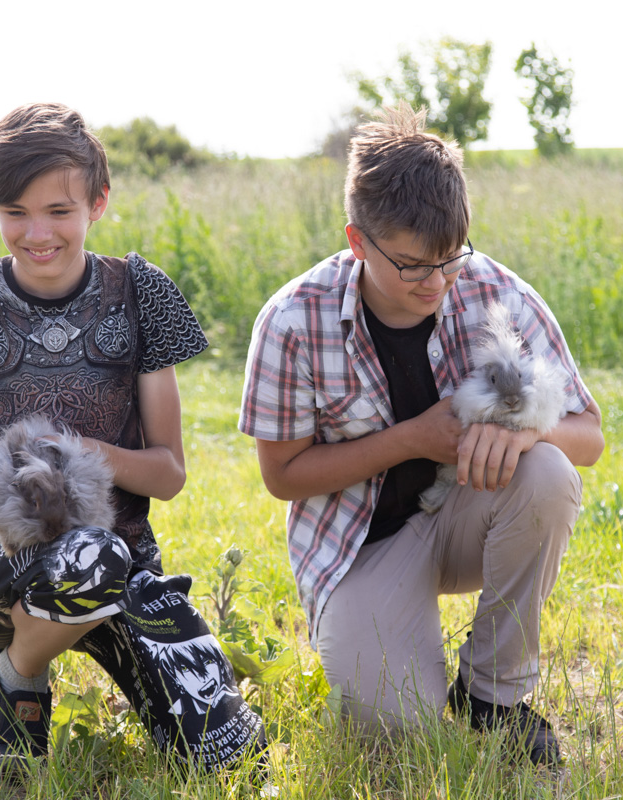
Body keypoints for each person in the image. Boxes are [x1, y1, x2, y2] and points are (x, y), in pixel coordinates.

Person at [0, 102, 263, 777]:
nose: (37, 233)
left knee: (221, 754)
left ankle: (120, 654)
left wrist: (81, 454)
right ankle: (20, 669)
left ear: (99, 202)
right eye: (15, 211)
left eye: (60, 211)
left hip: (118, 564)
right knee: (87, 555)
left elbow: (169, 474)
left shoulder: (141, 293)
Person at [238, 105, 603, 766]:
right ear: (358, 241)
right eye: (410, 265)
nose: (435, 282)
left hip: (469, 518)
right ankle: (402, 649)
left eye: (449, 259)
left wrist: (525, 438)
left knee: (549, 474)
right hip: (361, 547)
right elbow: (282, 476)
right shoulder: (292, 319)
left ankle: (492, 696)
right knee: (395, 730)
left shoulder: (494, 289)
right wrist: (412, 438)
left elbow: (589, 434)